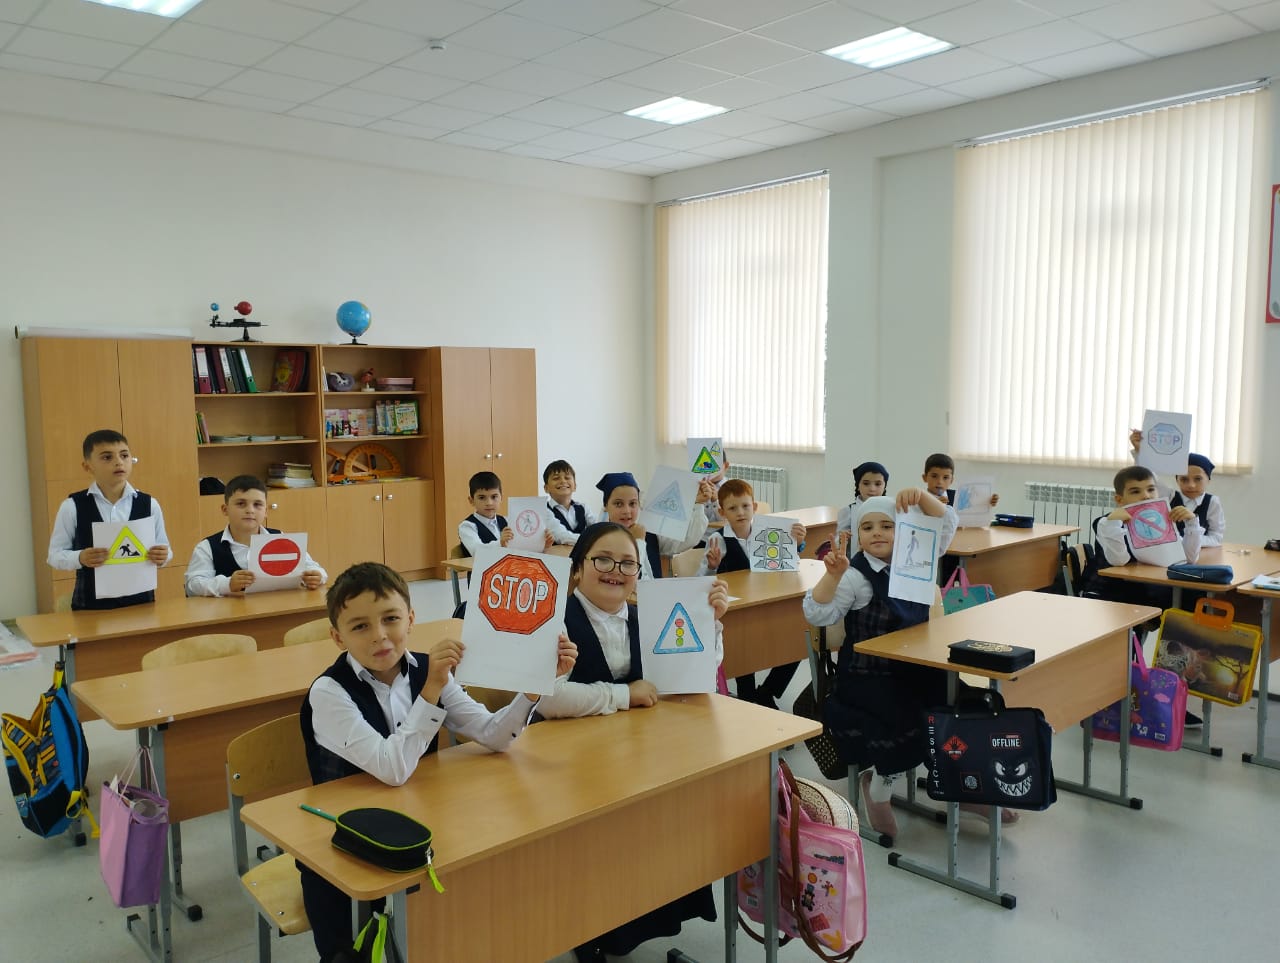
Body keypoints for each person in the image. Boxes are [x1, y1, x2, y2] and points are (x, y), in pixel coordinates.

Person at [299, 562, 577, 961]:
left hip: (418, 821)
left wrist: (535, 686)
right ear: (337, 637)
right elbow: (393, 769)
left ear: (411, 619)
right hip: (344, 843)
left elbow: (494, 734)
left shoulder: (425, 672)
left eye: (391, 619)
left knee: (478, 887)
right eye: (360, 626)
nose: (379, 635)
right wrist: (431, 691)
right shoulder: (329, 692)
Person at [533, 523, 727, 963]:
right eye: (602, 559)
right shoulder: (555, 620)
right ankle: (588, 929)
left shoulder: (647, 617)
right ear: (577, 568)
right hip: (569, 764)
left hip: (636, 752)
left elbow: (689, 674)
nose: (615, 571)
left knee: (665, 820)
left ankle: (637, 920)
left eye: (627, 564)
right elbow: (548, 698)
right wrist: (624, 695)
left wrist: (710, 623)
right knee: (603, 838)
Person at [803, 491, 1014, 835]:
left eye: (887, 526)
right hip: (867, 676)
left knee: (962, 703)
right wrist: (833, 576)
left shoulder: (916, 559)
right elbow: (817, 613)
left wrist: (923, 497)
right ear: (857, 536)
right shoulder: (855, 575)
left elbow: (947, 522)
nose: (877, 532)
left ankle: (962, 785)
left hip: (915, 668)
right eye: (867, 527)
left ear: (904, 531)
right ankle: (879, 787)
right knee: (909, 714)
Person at [698, 479, 805, 708]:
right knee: (744, 653)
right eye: (732, 508)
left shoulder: (769, 532)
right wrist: (712, 566)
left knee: (796, 642)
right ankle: (747, 698)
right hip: (737, 612)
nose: (740, 513)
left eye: (745, 506)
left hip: (769, 602)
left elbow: (789, 566)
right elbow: (701, 580)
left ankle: (767, 691)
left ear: (754, 507)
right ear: (722, 512)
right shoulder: (717, 540)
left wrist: (797, 544)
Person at [47, 429, 171, 610]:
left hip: (141, 605)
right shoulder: (72, 506)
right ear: (88, 466)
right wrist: (80, 557)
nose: (118, 462)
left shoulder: (149, 504)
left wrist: (163, 556)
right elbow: (55, 555)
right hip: (90, 608)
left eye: (124, 456)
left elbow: (165, 549)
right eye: (107, 457)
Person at [184, 474, 326, 596]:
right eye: (241, 504)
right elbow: (192, 586)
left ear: (266, 511)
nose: (250, 510)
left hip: (278, 609)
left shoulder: (280, 539)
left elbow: (314, 568)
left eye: (257, 504)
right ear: (225, 509)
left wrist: (317, 576)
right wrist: (227, 584)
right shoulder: (207, 547)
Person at [596, 471, 711, 580]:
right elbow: (627, 576)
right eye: (618, 504)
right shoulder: (600, 541)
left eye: (632, 503)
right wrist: (639, 541)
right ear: (606, 506)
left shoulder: (648, 532)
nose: (627, 511)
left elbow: (685, 541)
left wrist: (698, 504)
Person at [1129, 429, 1225, 547]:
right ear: (1177, 480)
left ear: (1208, 480)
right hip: (1171, 552)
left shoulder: (1212, 502)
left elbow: (1216, 537)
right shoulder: (1170, 496)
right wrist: (1140, 450)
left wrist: (1190, 542)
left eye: (1198, 479)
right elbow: (1148, 475)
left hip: (1201, 553)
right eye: (1184, 479)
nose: (1191, 485)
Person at [835, 460, 890, 542]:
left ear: (884, 486)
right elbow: (837, 540)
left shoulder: (892, 509)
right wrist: (841, 538)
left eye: (878, 484)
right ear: (858, 486)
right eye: (866, 483)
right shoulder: (848, 511)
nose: (872, 489)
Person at [543, 459, 593, 544]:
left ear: (575, 486)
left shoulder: (583, 507)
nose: (563, 481)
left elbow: (598, 528)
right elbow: (562, 537)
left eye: (567, 477)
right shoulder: (544, 511)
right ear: (546, 488)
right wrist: (593, 539)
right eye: (556, 478)